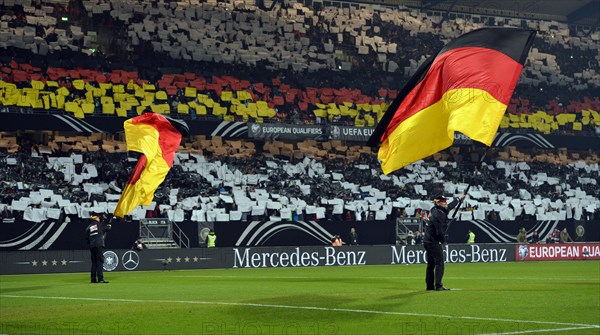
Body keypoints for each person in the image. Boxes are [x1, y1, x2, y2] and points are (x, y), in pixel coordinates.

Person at [424, 194, 465, 291]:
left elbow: (449, 207)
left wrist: (458, 199)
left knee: (431, 264)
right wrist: (443, 239)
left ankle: (430, 286)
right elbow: (440, 230)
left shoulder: (436, 210)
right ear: (438, 202)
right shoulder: (439, 214)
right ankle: (438, 285)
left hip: (427, 240)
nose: (445, 203)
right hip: (434, 241)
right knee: (440, 263)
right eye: (443, 201)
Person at [85, 214, 111, 283]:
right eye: (98, 217)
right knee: (100, 261)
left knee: (94, 262)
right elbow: (108, 228)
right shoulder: (99, 224)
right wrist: (109, 224)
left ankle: (93, 279)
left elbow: (86, 239)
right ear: (95, 218)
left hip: (92, 246)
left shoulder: (88, 227)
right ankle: (100, 279)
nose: (99, 218)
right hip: (98, 245)